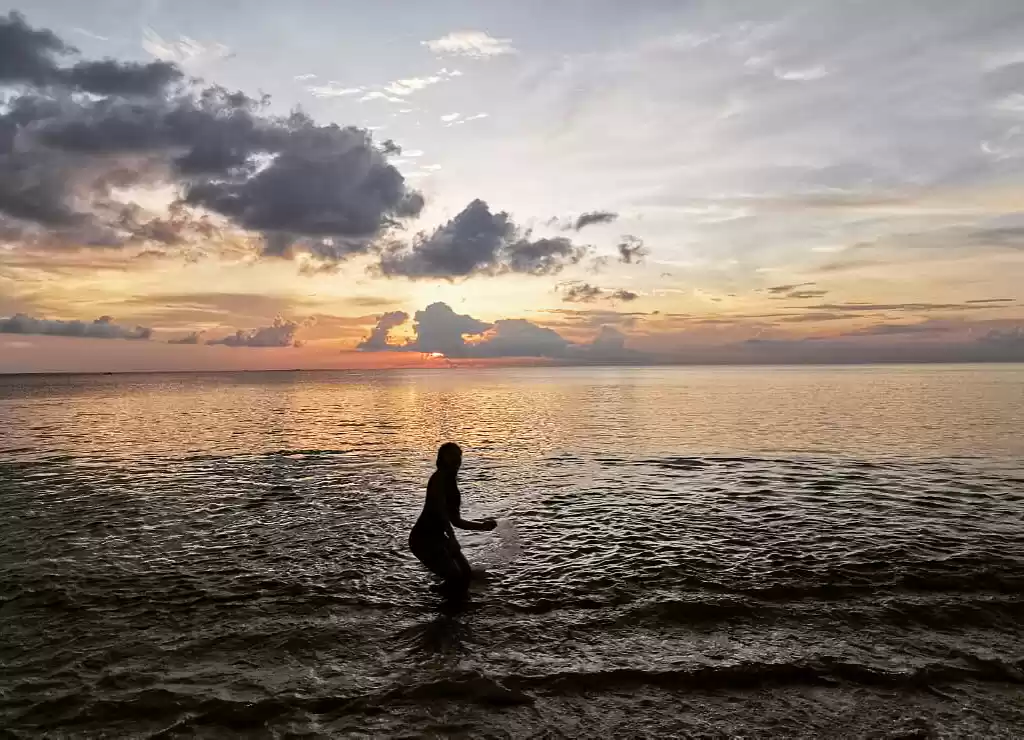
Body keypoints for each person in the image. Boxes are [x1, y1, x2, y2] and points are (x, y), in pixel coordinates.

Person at [409, 442, 496, 596]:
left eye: (458, 456)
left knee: (466, 575)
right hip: (422, 539)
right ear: (442, 459)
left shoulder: (452, 483)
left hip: (440, 538)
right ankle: (437, 608)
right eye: (451, 456)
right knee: (456, 578)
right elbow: (440, 511)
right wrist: (452, 539)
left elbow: (455, 520)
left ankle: (443, 601)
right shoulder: (439, 478)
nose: (456, 459)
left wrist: (482, 526)